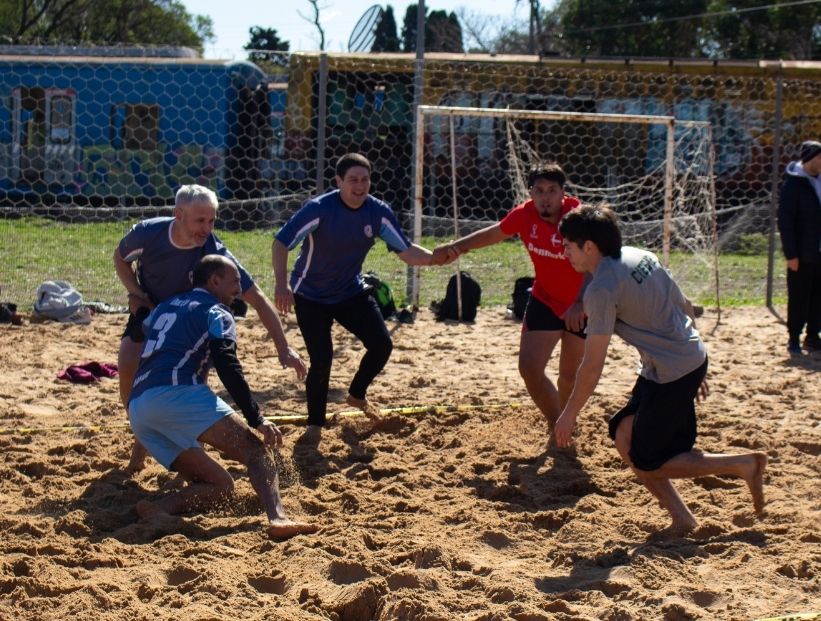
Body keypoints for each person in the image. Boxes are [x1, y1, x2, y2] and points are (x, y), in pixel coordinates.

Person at [554, 205, 767, 534]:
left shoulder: (601, 289)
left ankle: (742, 464)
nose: (564, 251)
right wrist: (695, 362)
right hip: (682, 360)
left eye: (568, 245)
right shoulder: (638, 255)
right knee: (624, 434)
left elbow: (593, 364)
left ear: (589, 247)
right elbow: (684, 304)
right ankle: (682, 518)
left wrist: (569, 413)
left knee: (648, 460)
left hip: (673, 371)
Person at [115, 184, 306, 471]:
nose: (207, 228)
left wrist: (284, 347)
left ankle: (194, 456)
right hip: (151, 310)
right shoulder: (148, 233)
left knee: (191, 385)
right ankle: (141, 445)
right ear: (179, 215)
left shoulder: (214, 252)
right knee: (130, 363)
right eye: (200, 220)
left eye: (212, 220)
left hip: (190, 324)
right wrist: (137, 294)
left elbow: (258, 299)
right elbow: (120, 259)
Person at [128, 255, 317, 539]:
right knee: (257, 454)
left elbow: (136, 331)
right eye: (235, 282)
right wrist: (257, 418)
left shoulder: (165, 307)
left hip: (138, 406)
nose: (239, 289)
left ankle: (160, 508)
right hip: (178, 394)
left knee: (221, 486)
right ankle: (278, 518)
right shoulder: (217, 312)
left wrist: (140, 311)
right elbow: (228, 365)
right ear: (214, 281)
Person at [273, 153, 446, 443]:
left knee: (382, 344)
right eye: (353, 179)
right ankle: (315, 425)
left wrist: (434, 259)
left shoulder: (377, 212)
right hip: (310, 294)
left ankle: (356, 395)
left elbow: (405, 250)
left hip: (349, 290)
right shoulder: (319, 208)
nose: (360, 185)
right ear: (338, 181)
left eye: (365, 179)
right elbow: (281, 242)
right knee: (322, 358)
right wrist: (281, 285)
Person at [436, 163, 586, 440]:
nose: (546, 197)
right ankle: (560, 425)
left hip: (582, 304)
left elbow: (601, 264)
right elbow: (494, 233)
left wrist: (580, 302)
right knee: (529, 369)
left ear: (563, 193)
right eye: (539, 190)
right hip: (545, 299)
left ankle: (567, 420)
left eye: (552, 190)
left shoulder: (579, 218)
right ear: (530, 192)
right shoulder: (525, 214)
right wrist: (457, 247)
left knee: (569, 376)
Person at [777, 140, 821, 355]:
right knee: (799, 297)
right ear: (810, 158)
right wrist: (791, 254)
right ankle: (793, 338)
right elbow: (785, 221)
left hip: (819, 252)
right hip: (802, 254)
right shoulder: (793, 185)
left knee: (818, 298)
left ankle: (813, 337)